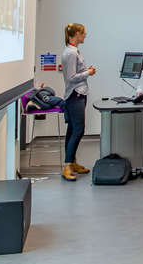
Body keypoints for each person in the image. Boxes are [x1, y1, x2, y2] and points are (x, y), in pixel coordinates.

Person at [61, 23, 97, 182]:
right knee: (78, 130)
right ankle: (68, 165)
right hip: (75, 95)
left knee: (73, 130)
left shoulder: (73, 51)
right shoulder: (71, 53)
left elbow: (74, 73)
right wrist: (88, 73)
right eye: (83, 33)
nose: (85, 35)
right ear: (76, 34)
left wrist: (84, 72)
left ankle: (72, 162)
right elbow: (70, 78)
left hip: (79, 94)